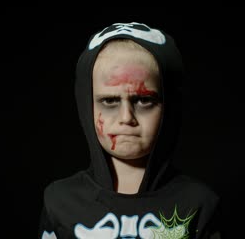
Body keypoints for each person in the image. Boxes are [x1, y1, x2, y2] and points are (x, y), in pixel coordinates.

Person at [38, 22, 223, 238]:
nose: (126, 118)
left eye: (144, 100)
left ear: (170, 106)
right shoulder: (61, 202)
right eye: (109, 100)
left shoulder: (198, 203)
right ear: (87, 105)